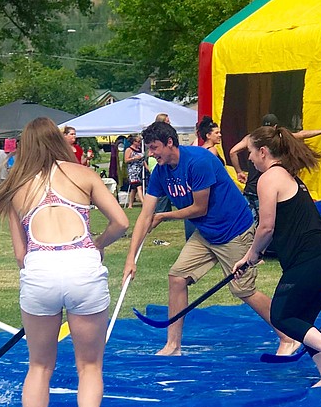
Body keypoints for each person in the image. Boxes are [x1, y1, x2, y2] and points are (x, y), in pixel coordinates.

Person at [0, 117, 128, 407]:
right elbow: (121, 223)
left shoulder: (16, 188)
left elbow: (21, 256)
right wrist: (95, 244)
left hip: (41, 271)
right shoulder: (83, 175)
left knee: (39, 366)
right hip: (83, 266)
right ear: (59, 141)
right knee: (90, 365)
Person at [123, 121, 300, 357]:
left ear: (169, 143)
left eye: (154, 148)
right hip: (206, 233)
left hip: (234, 230)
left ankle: (290, 336)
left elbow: (200, 208)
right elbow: (145, 215)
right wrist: (130, 258)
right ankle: (173, 346)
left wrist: (165, 215)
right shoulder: (161, 172)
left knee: (243, 290)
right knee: (177, 277)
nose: (151, 154)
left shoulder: (198, 161)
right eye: (149, 149)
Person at [233, 126, 321, 386]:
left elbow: (266, 226)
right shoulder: (287, 175)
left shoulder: (268, 178)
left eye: (250, 152)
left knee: (281, 316)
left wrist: (251, 254)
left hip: (311, 258)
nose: (249, 158)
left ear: (263, 151)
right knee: (304, 323)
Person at [229, 114, 321, 219]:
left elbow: (232, 152)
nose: (250, 157)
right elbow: (302, 134)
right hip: (268, 192)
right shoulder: (278, 139)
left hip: (250, 189)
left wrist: (239, 171)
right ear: (275, 127)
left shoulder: (252, 138)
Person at [124, 134, 145, 208]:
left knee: (134, 188)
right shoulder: (129, 150)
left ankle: (130, 205)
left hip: (139, 170)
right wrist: (135, 158)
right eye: (138, 142)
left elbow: (143, 161)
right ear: (134, 142)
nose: (139, 143)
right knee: (139, 186)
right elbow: (126, 160)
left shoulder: (139, 149)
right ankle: (143, 202)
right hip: (133, 171)